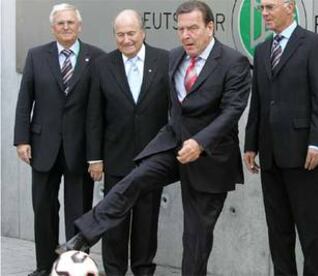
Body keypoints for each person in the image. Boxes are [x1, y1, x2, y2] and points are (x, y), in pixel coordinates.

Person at [57, 1, 251, 275]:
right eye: (181, 29)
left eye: (193, 28)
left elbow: (232, 111)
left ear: (210, 27)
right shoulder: (174, 57)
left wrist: (200, 142)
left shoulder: (234, 62)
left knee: (195, 238)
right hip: (173, 146)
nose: (186, 35)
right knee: (132, 181)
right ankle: (84, 235)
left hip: (210, 158)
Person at [13, 3, 105, 276]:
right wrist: (22, 140)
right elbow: (23, 101)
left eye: (70, 22)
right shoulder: (36, 56)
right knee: (43, 210)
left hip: (80, 150)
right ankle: (43, 267)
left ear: (79, 26)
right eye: (60, 23)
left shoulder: (96, 58)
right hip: (43, 147)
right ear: (53, 27)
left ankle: (75, 269)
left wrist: (97, 153)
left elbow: (99, 110)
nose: (66, 27)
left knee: (79, 214)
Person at [244, 0, 318, 275]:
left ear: (290, 7)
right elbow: (258, 101)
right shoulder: (261, 51)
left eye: (270, 7)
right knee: (278, 232)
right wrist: (250, 144)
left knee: (310, 233)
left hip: (302, 154)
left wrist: (317, 143)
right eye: (262, 8)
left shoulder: (314, 44)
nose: (264, 13)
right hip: (269, 155)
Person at [86, 9, 169, 276]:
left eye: (131, 33)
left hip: (152, 159)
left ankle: (143, 271)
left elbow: (173, 112)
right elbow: (94, 115)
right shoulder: (102, 65)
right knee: (114, 222)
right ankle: (114, 271)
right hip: (116, 158)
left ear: (142, 33)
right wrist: (95, 158)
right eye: (120, 34)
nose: (126, 39)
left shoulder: (165, 60)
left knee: (146, 222)